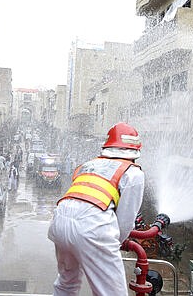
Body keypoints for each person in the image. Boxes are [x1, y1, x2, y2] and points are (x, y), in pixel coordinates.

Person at [48, 122, 145, 296]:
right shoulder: (133, 172)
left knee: (66, 283)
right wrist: (117, 242)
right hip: (93, 228)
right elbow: (125, 221)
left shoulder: (88, 165)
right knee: (111, 292)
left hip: (59, 222)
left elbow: (81, 197)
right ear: (135, 151)